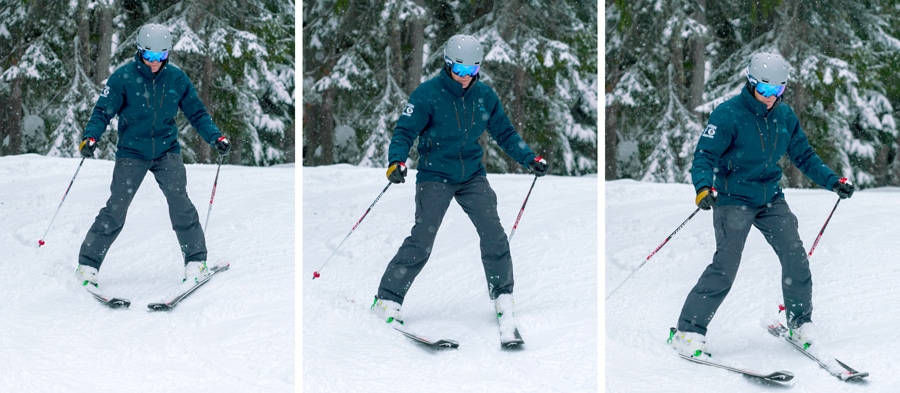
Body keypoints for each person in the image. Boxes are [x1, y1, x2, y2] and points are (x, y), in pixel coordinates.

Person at [669, 52, 855, 358]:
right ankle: (689, 331)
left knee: (796, 257)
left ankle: (800, 323)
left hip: (770, 197)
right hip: (733, 198)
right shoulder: (728, 114)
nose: (770, 98)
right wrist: (704, 187)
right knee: (725, 267)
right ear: (750, 82)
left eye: (777, 91)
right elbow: (705, 155)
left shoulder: (785, 118)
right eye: (765, 90)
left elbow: (804, 156)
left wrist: (833, 181)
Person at [369, 34, 550, 340]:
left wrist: (529, 157)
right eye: (461, 71)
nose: (466, 78)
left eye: (472, 71)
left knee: (493, 233)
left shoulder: (484, 96)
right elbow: (404, 132)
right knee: (422, 239)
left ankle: (503, 295)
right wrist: (396, 161)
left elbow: (504, 132)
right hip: (434, 175)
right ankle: (387, 299)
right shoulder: (427, 95)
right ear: (448, 64)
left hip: (471, 175)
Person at [74, 23, 232, 291]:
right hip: (131, 152)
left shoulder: (177, 79)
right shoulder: (122, 78)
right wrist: (91, 137)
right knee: (116, 208)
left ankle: (196, 262)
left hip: (166, 151)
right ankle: (87, 265)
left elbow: (197, 112)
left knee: (180, 203)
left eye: (161, 56)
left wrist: (215, 137)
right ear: (139, 51)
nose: (155, 62)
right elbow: (103, 111)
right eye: (150, 56)